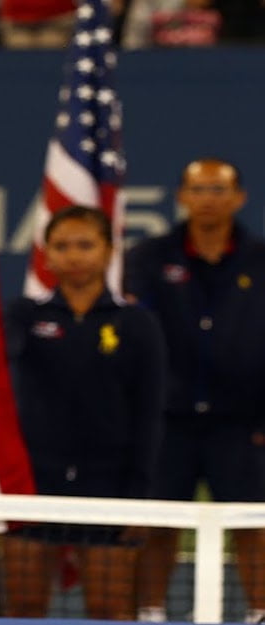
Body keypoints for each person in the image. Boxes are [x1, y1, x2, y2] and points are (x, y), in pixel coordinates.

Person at [0, 206, 165, 620]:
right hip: (32, 483)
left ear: (109, 251)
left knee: (109, 610)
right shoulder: (21, 316)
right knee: (23, 607)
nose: (74, 255)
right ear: (47, 255)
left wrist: (138, 500)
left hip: (110, 485)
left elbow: (148, 415)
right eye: (62, 246)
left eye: (86, 245)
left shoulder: (137, 324)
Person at [126, 158, 265, 624]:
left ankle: (260, 613)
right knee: (159, 524)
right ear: (182, 197)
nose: (209, 199)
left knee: (253, 525)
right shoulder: (148, 259)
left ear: (239, 198)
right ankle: (150, 612)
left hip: (242, 424)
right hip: (167, 423)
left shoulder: (261, 261)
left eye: (218, 189)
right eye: (199, 189)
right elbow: (135, 339)